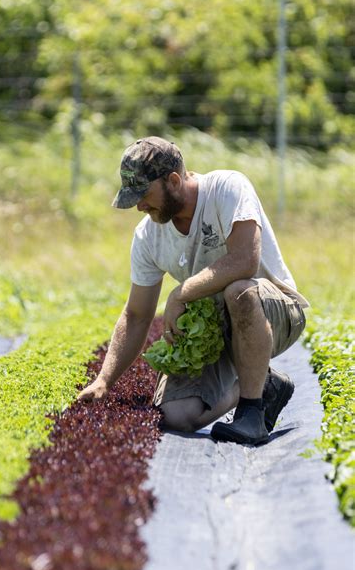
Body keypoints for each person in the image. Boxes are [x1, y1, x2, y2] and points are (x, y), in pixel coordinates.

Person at [78, 136, 309, 445]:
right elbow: (136, 315)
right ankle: (262, 382)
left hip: (273, 314)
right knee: (178, 415)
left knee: (238, 291)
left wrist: (180, 293)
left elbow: (244, 260)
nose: (140, 206)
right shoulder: (149, 235)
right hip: (216, 331)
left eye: (144, 194)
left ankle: (252, 412)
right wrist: (104, 380)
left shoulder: (226, 188)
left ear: (173, 181)